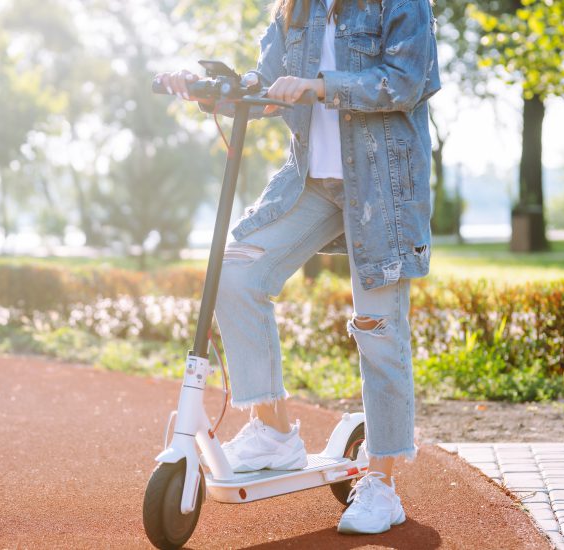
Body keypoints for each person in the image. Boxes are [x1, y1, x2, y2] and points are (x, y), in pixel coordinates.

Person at [155, 0, 440, 536]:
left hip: (383, 190)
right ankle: (275, 432)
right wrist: (206, 83)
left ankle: (381, 484)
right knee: (235, 274)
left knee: (378, 329)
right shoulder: (296, 8)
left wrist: (320, 85)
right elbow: (265, 81)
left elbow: (406, 81)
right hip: (310, 186)